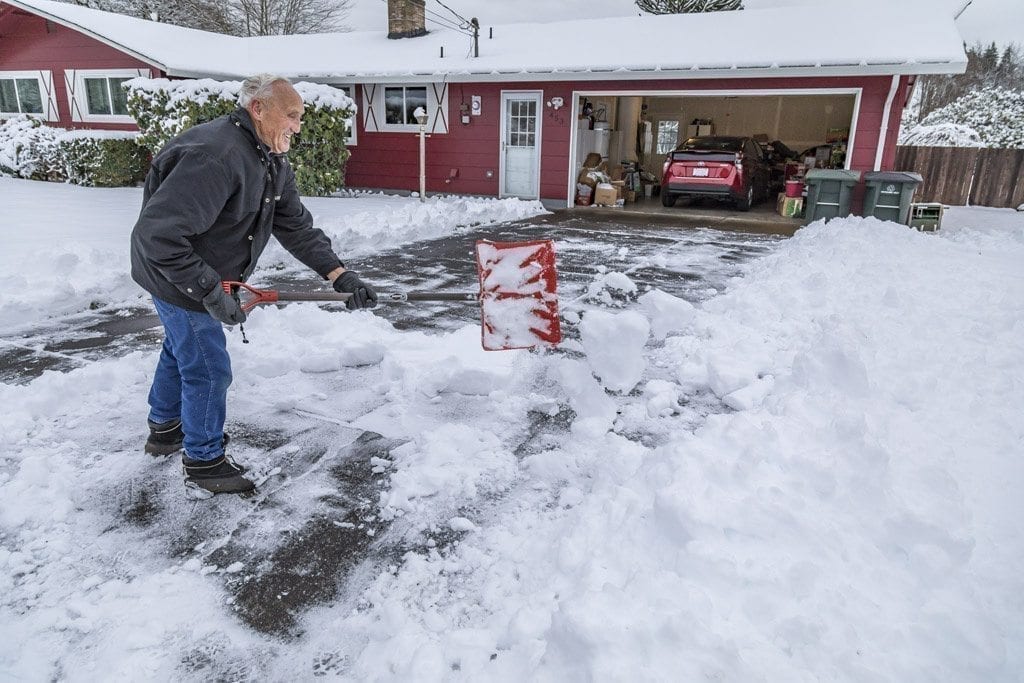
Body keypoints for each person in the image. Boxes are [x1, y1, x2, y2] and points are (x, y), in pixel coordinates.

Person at [130, 74, 376, 496]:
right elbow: (158, 237)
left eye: (301, 117)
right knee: (207, 367)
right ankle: (204, 463)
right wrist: (208, 290)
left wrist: (339, 275)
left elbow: (294, 224)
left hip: (197, 275)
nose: (297, 126)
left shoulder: (269, 157)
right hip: (178, 277)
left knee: (180, 348)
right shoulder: (215, 156)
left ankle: (165, 428)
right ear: (258, 109)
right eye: (292, 115)